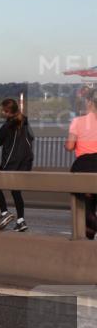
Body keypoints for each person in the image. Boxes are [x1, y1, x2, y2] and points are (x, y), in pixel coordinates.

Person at [0, 98, 34, 231]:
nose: (2, 112)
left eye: (3, 110)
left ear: (7, 111)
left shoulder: (8, 125)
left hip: (10, 162)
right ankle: (21, 221)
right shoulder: (25, 121)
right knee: (16, 191)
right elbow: (31, 137)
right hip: (26, 162)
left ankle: (5, 213)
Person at [66, 86, 97, 239]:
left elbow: (70, 146)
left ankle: (89, 237)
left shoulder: (78, 121)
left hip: (84, 165)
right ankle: (90, 236)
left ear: (89, 102)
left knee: (86, 205)